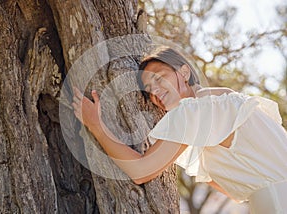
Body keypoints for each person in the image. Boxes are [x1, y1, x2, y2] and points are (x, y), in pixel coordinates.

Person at [72, 46, 287, 213]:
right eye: (148, 90)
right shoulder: (224, 102)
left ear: (184, 72)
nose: (155, 91)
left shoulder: (198, 109)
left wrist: (96, 126)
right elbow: (232, 189)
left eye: (158, 77)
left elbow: (141, 171)